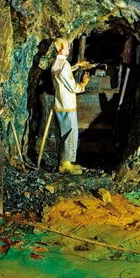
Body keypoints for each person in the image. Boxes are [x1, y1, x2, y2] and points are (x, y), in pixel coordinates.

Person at [50, 38, 89, 175]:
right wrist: (83, 84)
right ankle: (66, 165)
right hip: (67, 105)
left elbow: (63, 74)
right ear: (60, 47)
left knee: (62, 133)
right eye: (67, 46)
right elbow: (72, 87)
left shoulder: (56, 63)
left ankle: (63, 162)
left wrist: (77, 65)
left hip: (59, 104)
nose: (69, 48)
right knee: (70, 134)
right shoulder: (64, 65)